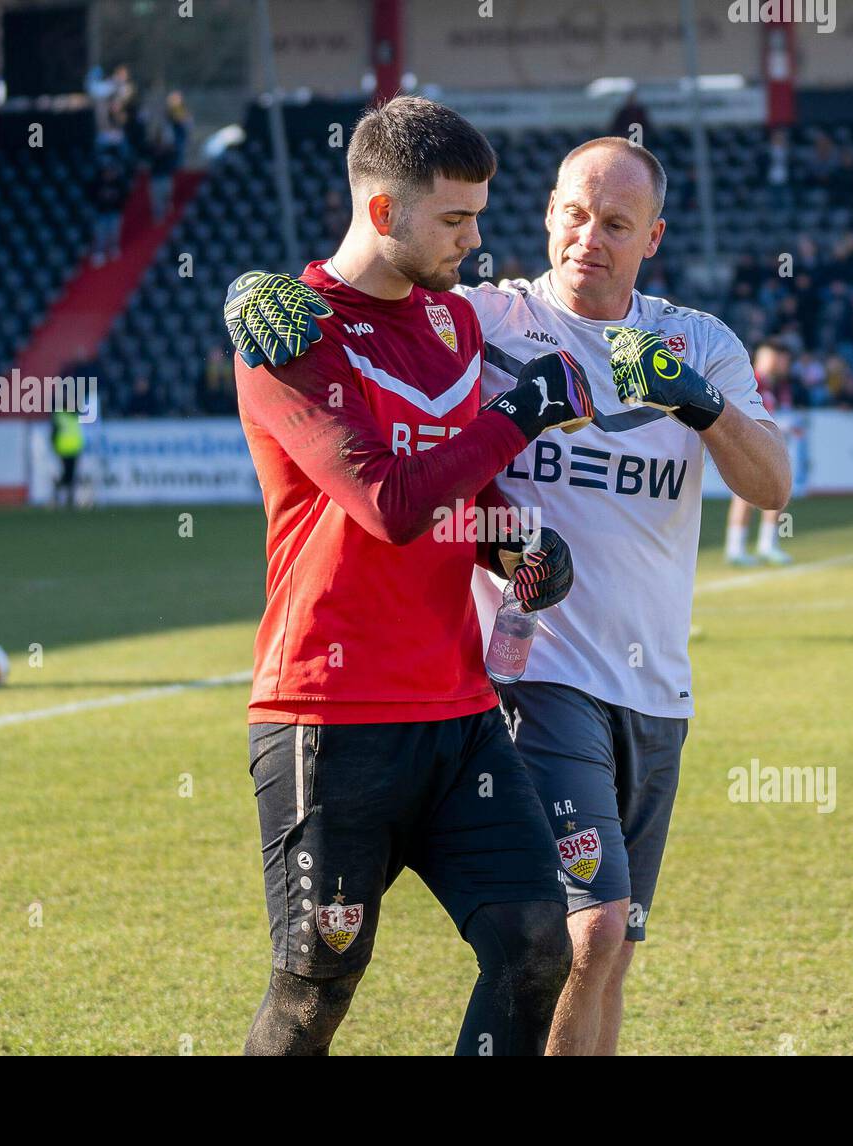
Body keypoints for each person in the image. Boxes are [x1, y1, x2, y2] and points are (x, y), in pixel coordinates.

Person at [230, 133, 791, 1056]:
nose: (588, 238)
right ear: (548, 214)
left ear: (653, 236)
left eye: (616, 223)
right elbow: (369, 294)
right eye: (572, 214)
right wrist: (247, 287)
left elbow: (772, 488)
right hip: (522, 678)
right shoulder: (483, 317)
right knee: (583, 930)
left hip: (648, 686)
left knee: (596, 946)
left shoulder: (698, 342)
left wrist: (698, 404)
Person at [224, 97, 598, 1057]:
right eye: (455, 218)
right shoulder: (289, 333)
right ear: (383, 213)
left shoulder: (450, 325)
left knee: (533, 946)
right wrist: (520, 413)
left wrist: (509, 542)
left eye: (479, 214)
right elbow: (389, 505)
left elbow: (455, 489)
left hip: (457, 711)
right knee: (317, 987)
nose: (476, 240)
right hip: (328, 715)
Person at [726, 339, 794, 566]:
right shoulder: (752, 381)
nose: (786, 364)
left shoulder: (775, 385)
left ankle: (765, 545)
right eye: (782, 358)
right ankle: (737, 548)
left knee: (776, 491)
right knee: (745, 495)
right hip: (747, 445)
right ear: (770, 357)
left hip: (765, 445)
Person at [50, 409, 84, 509]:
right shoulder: (60, 416)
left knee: (71, 474)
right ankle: (60, 494)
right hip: (63, 449)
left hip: (74, 449)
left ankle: (69, 498)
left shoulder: (73, 415)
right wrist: (54, 445)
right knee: (67, 474)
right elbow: (54, 432)